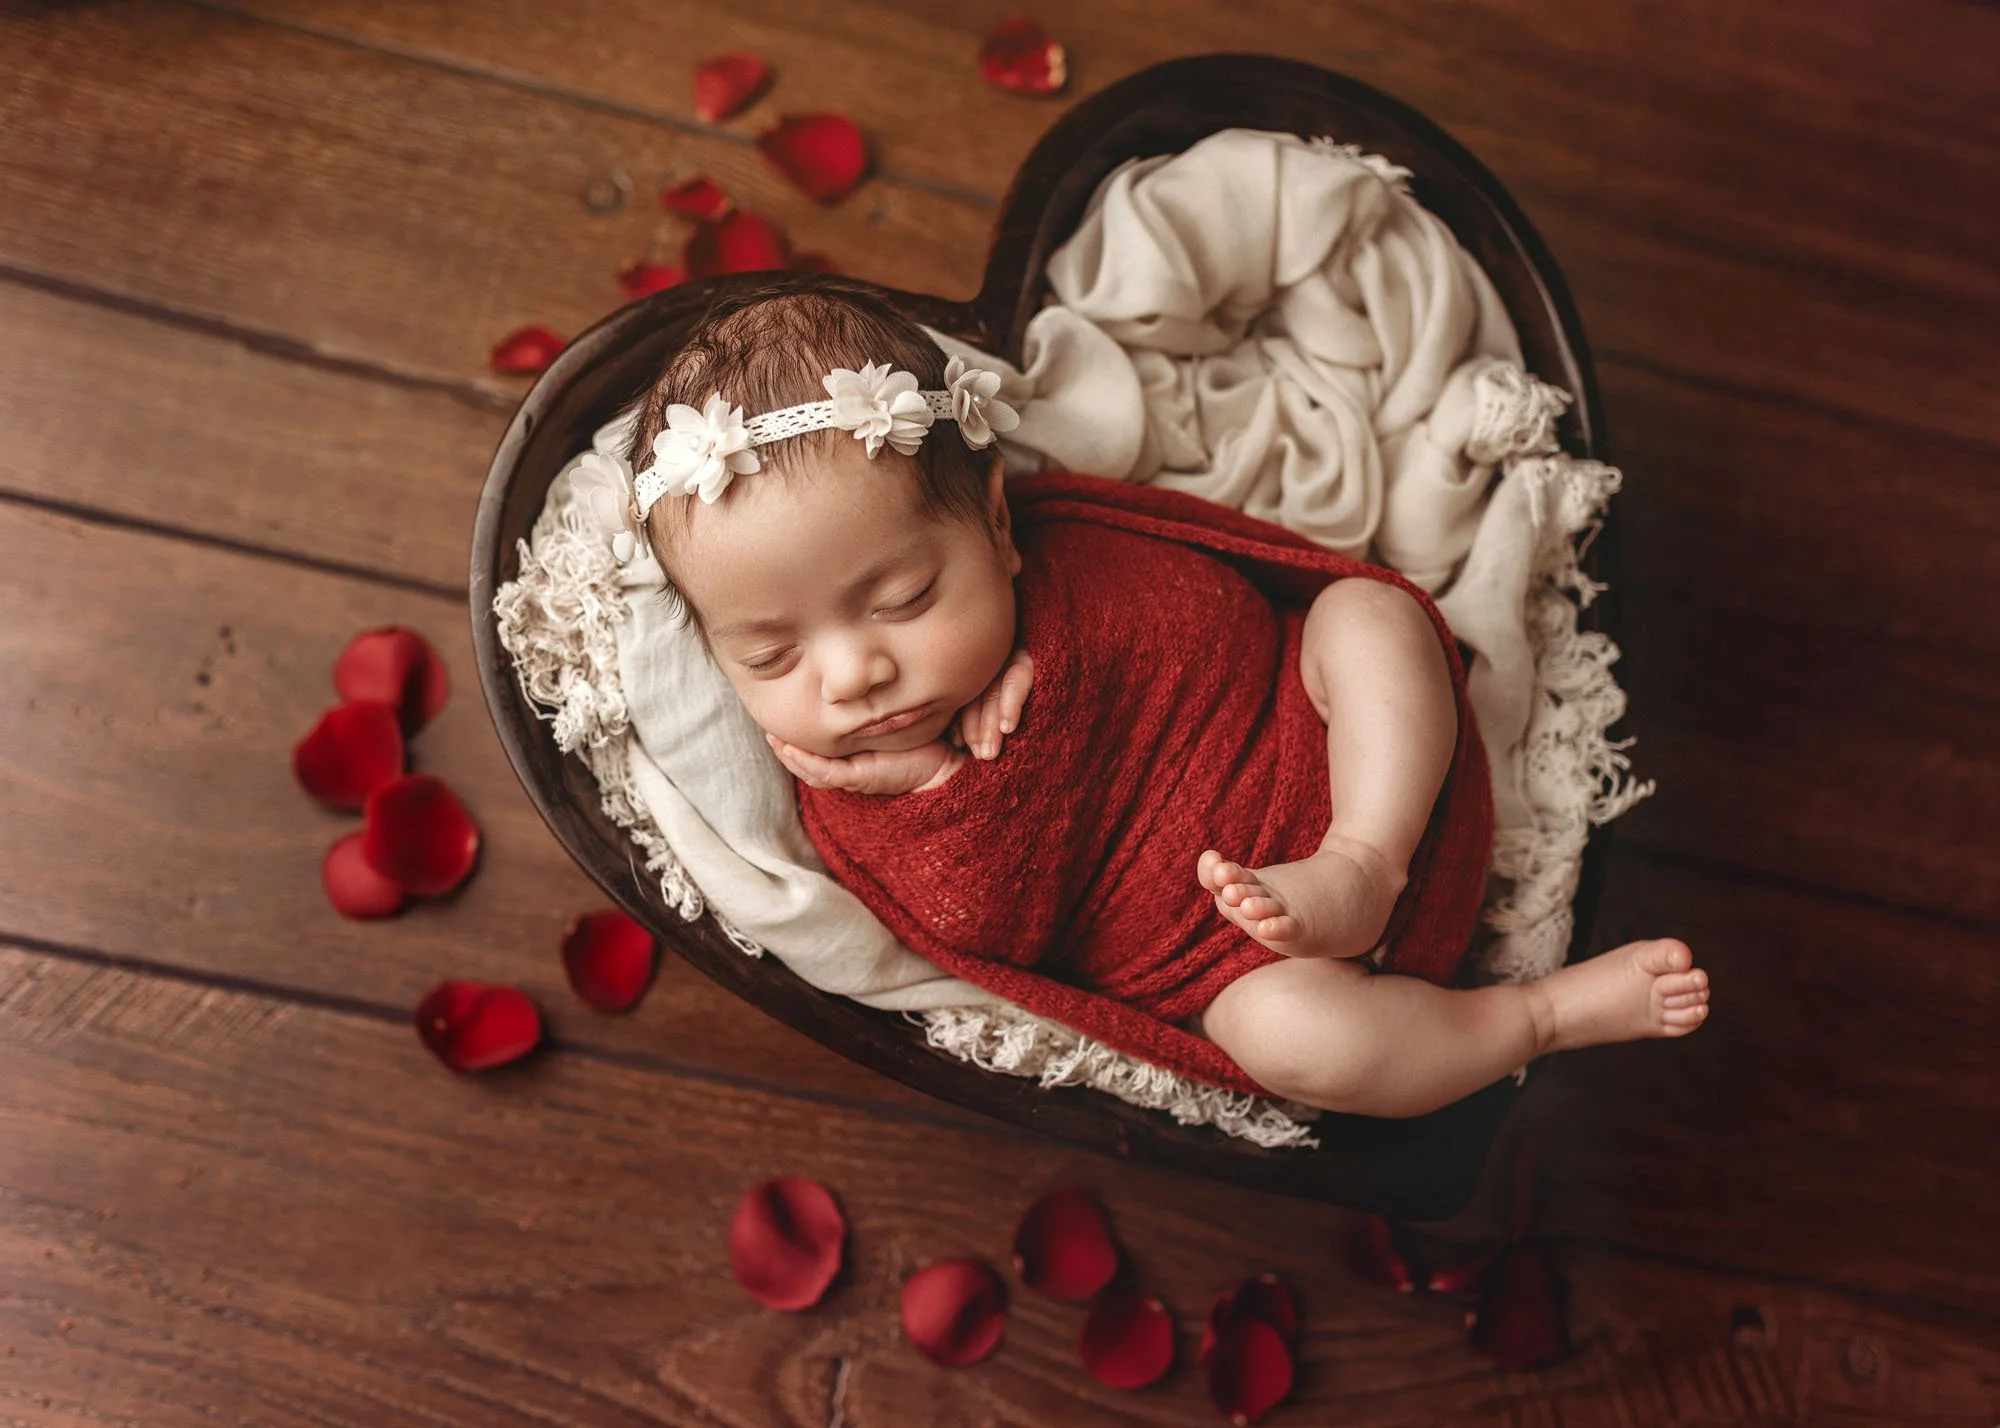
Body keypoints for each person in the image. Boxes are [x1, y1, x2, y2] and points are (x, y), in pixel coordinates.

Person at [624, 277, 1708, 1118]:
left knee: (1363, 619)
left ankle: (1365, 861)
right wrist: (945, 788)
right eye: (768, 658)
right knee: (1296, 1046)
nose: (850, 673)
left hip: (1352, 766)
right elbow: (988, 934)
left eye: (905, 597)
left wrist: (1061, 667)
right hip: (1244, 961)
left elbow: (1213, 608)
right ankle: (1532, 1016)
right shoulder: (856, 796)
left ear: (997, 527)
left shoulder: (1067, 549)